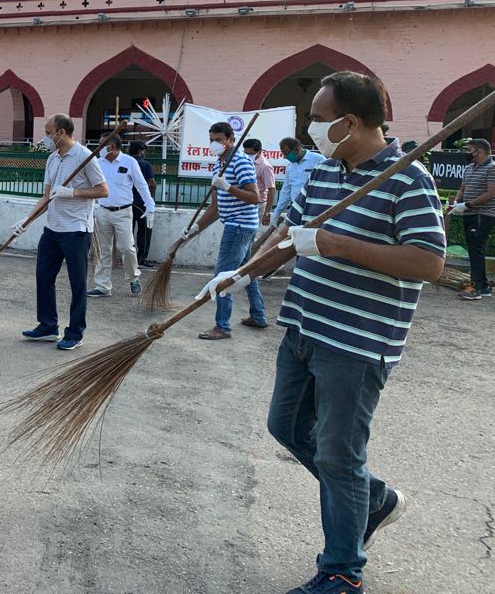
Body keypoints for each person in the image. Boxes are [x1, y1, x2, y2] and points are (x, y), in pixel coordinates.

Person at [200, 72, 445, 594]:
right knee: (285, 426)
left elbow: (428, 262)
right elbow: (292, 238)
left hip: (357, 344)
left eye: (317, 118)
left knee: (338, 455)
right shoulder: (325, 172)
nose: (312, 128)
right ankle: (373, 500)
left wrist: (335, 244)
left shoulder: (408, 179)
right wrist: (243, 274)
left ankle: (342, 571)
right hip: (305, 326)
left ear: (349, 122)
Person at [11, 114, 108, 350]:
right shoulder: (52, 158)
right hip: (52, 229)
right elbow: (47, 196)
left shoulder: (85, 157)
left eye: (47, 132)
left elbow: (103, 190)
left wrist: (72, 193)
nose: (45, 137)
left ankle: (75, 332)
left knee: (77, 284)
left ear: (61, 132)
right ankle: (47, 326)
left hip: (76, 231)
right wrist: (27, 219)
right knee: (43, 277)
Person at [188, 121, 267, 339]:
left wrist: (228, 187)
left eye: (219, 140)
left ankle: (222, 327)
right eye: (212, 140)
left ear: (230, 139)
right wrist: (195, 228)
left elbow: (255, 197)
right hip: (238, 226)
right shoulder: (218, 164)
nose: (215, 144)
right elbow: (216, 207)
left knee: (222, 278)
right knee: (247, 272)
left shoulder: (240, 161)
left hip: (240, 226)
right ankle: (258, 316)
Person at [87, 134, 155, 297]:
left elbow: (141, 185)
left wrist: (150, 205)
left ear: (112, 146)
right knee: (103, 250)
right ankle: (103, 286)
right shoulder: (97, 162)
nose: (99, 147)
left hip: (123, 212)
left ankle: (133, 278)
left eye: (102, 144)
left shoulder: (129, 162)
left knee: (126, 247)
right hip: (103, 211)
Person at [448, 137, 495, 299]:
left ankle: (474, 288)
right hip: (469, 213)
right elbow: (463, 188)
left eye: (470, 150)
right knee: (475, 249)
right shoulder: (469, 168)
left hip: (483, 214)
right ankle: (484, 286)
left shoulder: (492, 168)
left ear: (479, 151)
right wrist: (456, 204)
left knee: (476, 250)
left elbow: (491, 193)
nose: (468, 153)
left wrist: (467, 205)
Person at [270, 137, 325, 226]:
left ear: (297, 149)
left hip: (314, 208)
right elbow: (285, 191)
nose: (285, 157)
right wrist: (276, 214)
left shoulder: (318, 160)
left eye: (286, 153)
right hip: (295, 208)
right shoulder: (290, 166)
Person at [128, 140, 158, 267]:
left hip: (127, 203)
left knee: (128, 233)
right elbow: (152, 184)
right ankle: (141, 259)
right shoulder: (145, 165)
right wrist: (151, 199)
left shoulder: (125, 162)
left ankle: (129, 258)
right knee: (144, 232)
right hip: (142, 204)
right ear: (140, 151)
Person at [243, 138, 277, 227]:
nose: (248, 155)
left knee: (250, 232)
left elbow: (272, 190)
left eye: (251, 154)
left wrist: (267, 213)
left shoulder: (265, 166)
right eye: (246, 153)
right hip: (244, 203)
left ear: (259, 152)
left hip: (258, 205)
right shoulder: (245, 161)